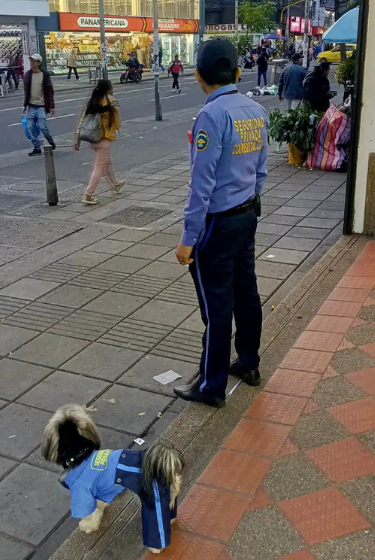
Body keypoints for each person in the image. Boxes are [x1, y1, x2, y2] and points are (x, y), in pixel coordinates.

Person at [173, 39, 268, 408]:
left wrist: (188, 239)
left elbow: (201, 186)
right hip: (246, 217)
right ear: (239, 73)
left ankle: (211, 386)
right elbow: (260, 171)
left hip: (216, 225)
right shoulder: (256, 110)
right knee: (246, 293)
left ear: (198, 76)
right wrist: (248, 200)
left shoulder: (210, 118)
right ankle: (248, 362)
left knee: (216, 309)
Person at [74, 79, 125, 205]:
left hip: (93, 138)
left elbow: (83, 120)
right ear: (109, 88)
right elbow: (117, 122)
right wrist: (114, 129)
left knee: (107, 162)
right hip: (105, 138)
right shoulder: (111, 101)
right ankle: (88, 195)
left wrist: (78, 138)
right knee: (99, 167)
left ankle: (115, 183)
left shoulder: (93, 101)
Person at [23, 53, 56, 156]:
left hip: (41, 106)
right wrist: (25, 105)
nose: (31, 63)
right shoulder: (28, 75)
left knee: (43, 127)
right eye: (31, 61)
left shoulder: (44, 75)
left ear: (39, 63)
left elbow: (50, 91)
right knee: (30, 128)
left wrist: (51, 106)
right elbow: (26, 91)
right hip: (31, 106)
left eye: (34, 61)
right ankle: (37, 147)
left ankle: (50, 141)